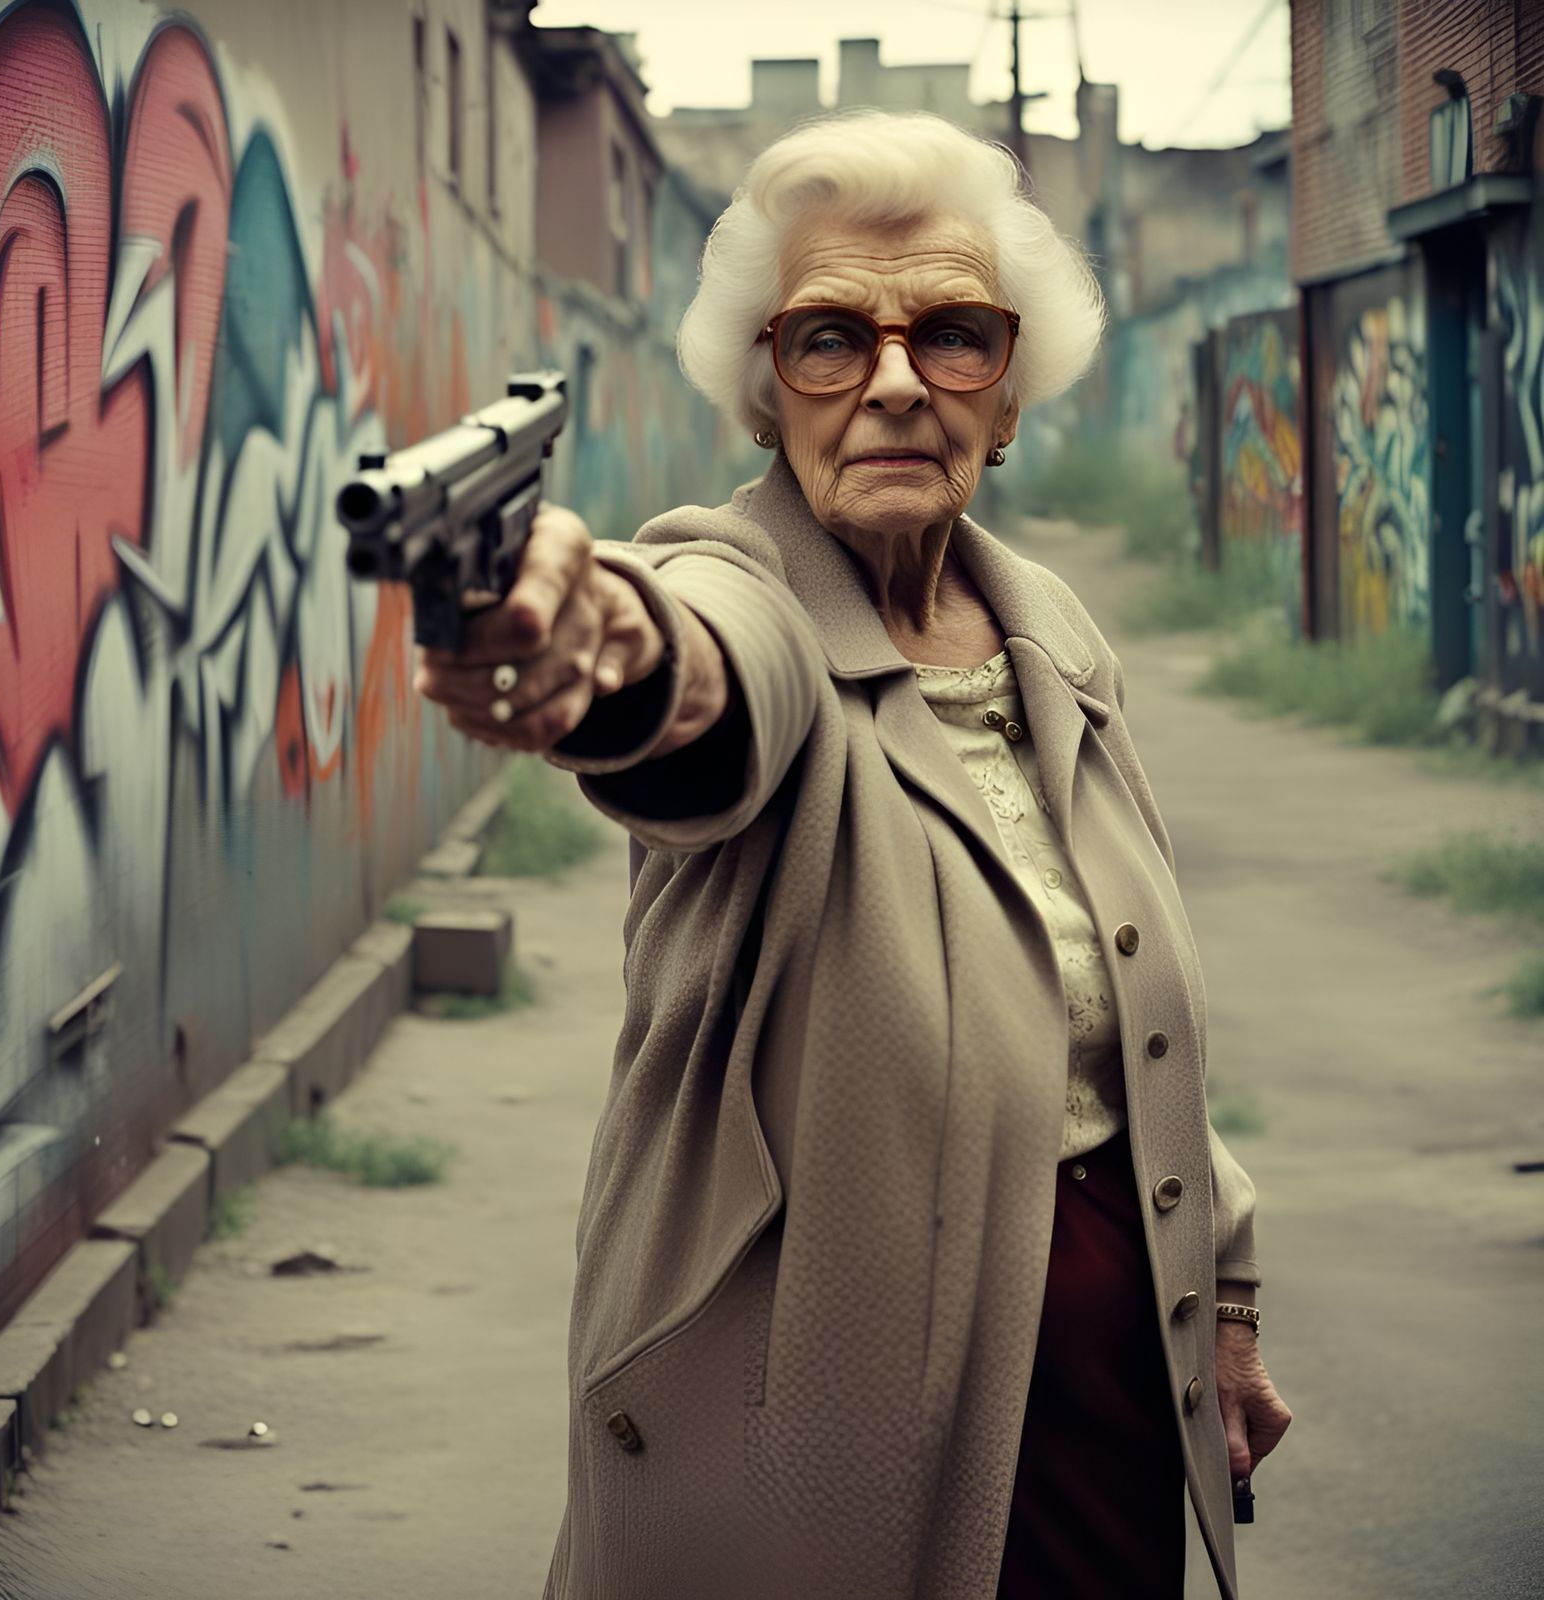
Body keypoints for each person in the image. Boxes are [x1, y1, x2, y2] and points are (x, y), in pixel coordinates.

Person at [415, 110, 1291, 1600]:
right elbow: (700, 677)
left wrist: (1222, 1289)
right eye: (829, 339)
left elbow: (1118, 1030)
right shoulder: (742, 588)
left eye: (951, 335)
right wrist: (603, 645)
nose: (893, 382)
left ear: (1006, 397)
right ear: (767, 393)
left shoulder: (1054, 640)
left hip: (1100, 1412)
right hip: (815, 1449)